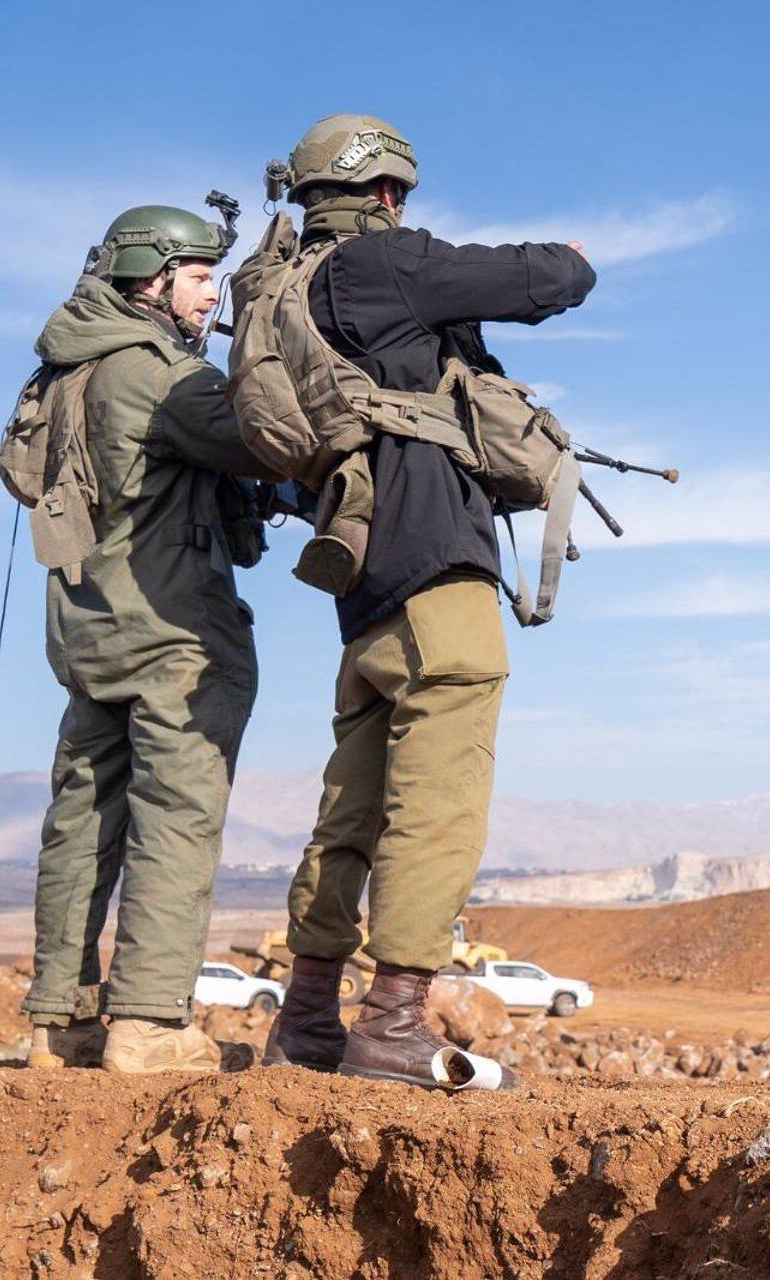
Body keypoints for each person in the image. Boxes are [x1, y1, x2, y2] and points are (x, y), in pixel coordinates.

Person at [255, 114, 596, 1086]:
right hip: (433, 569)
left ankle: (309, 1017)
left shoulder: (283, 299)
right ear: (386, 193)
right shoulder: (380, 270)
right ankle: (393, 1019)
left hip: (359, 594)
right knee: (437, 802)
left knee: (350, 810)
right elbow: (543, 280)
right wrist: (572, 260)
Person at [19, 205, 275, 1073]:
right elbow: (265, 435)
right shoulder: (158, 374)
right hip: (171, 633)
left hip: (88, 632)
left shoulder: (66, 371)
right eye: (202, 278)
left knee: (82, 823)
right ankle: (148, 1024)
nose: (215, 296)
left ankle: (60, 1022)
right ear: (150, 279)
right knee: (176, 816)